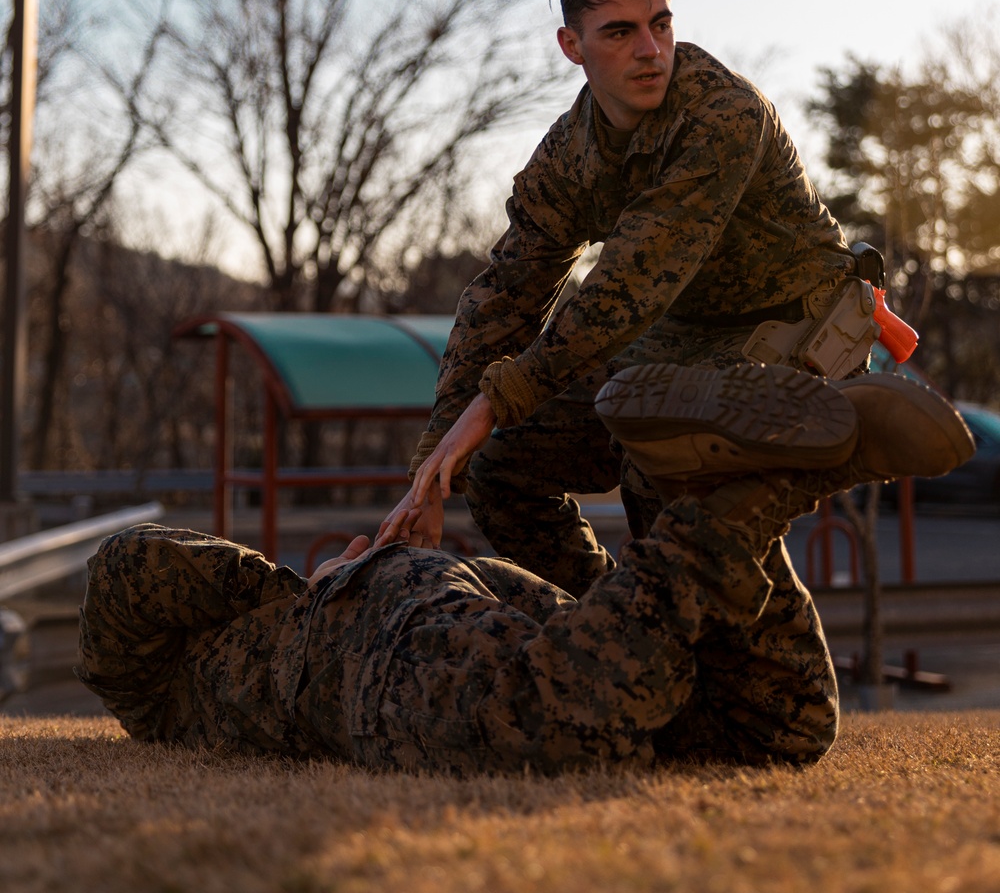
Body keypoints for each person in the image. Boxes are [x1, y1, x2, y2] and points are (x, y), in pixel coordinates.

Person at [76, 363, 972, 775]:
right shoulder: (176, 705)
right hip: (441, 613)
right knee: (774, 730)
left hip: (354, 645)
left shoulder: (160, 692)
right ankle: (758, 485)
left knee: (553, 713)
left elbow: (122, 571)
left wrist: (292, 592)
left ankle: (746, 495)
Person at [378, 0, 916, 595]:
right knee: (499, 467)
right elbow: (505, 295)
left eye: (660, 24)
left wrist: (498, 400)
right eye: (619, 31)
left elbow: (629, 284)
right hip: (683, 335)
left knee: (664, 462)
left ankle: (774, 692)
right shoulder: (568, 156)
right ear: (572, 46)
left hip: (798, 327)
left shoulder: (722, 115)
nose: (650, 49)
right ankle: (608, 636)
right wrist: (434, 467)